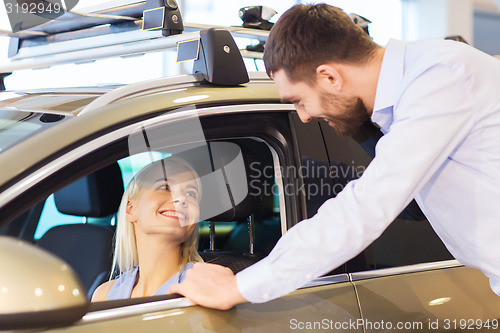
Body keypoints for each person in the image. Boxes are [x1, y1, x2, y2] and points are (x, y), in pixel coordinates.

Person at [169, 4, 500, 309]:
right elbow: (416, 204)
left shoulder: (439, 78)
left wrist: (237, 288)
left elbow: (365, 208)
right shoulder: (416, 92)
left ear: (329, 76)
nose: (302, 116)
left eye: (299, 100)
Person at [92, 156, 203, 301]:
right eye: (164, 187)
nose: (182, 198)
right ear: (131, 209)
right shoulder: (104, 295)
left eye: (191, 194)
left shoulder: (203, 289)